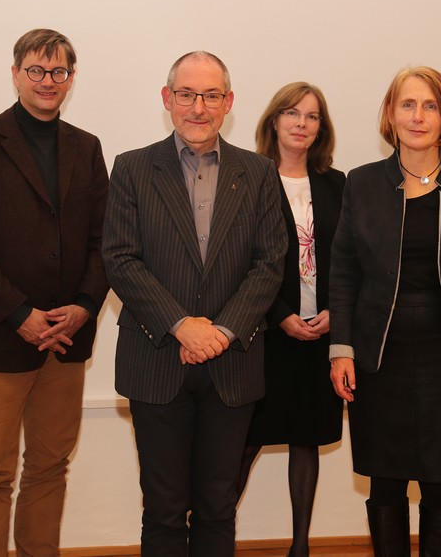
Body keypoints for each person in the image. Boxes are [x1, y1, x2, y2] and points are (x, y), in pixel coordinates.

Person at [102, 51, 286, 556]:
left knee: (217, 506)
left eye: (210, 96)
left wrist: (221, 332)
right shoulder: (132, 168)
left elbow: (270, 264)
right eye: (186, 94)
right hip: (156, 359)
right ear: (167, 99)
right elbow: (120, 259)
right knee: (162, 508)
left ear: (228, 103)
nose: (198, 107)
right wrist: (182, 326)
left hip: (233, 366)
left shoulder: (259, 172)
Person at [0, 29, 109, 557]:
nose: (47, 81)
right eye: (36, 70)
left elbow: (104, 241)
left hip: (65, 338)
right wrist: (18, 313)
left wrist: (83, 307)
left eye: (58, 72)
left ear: (71, 80)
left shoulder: (87, 147)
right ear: (15, 73)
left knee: (49, 466)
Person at [329, 66, 441, 557]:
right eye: (408, 104)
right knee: (384, 480)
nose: (418, 115)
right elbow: (343, 274)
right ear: (391, 114)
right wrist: (340, 350)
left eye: (430, 105)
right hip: (377, 356)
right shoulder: (362, 184)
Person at [237, 82, 345, 557]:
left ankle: (300, 546)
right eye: (292, 113)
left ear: (321, 128)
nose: (302, 123)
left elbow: (351, 258)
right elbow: (241, 262)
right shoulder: (248, 180)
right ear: (273, 122)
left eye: (312, 116)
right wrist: (279, 315)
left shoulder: (337, 184)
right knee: (245, 439)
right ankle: (209, 535)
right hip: (265, 335)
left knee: (307, 437)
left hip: (321, 335)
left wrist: (334, 312)